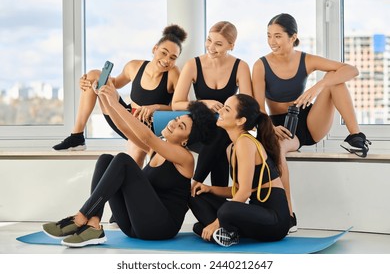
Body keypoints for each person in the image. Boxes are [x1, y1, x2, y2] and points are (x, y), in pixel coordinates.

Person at [42, 81, 217, 247]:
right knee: (106, 159)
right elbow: (127, 130)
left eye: (181, 127)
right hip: (135, 225)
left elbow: (147, 136)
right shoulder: (157, 150)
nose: (173, 123)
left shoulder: (184, 158)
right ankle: (93, 225)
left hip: (160, 228)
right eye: (177, 119)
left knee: (123, 160)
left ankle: (80, 217)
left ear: (186, 141)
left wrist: (116, 103)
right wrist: (108, 101)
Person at [252, 13, 371, 232]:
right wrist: (269, 128)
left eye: (278, 36)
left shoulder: (306, 60)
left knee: (335, 81)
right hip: (279, 126)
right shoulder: (260, 65)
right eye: (269, 36)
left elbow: (351, 70)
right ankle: (288, 214)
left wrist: (318, 86)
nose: (272, 41)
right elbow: (259, 108)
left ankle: (356, 137)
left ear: (292, 37)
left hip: (309, 122)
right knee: (278, 149)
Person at [53, 24, 187, 167]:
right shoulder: (134, 66)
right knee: (94, 75)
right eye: (164, 53)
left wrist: (155, 107)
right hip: (125, 116)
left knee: (135, 154)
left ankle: (134, 184)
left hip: (147, 128)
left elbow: (181, 108)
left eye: (173, 57)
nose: (167, 60)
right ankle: (77, 136)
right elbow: (116, 83)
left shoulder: (174, 74)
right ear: (155, 49)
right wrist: (86, 82)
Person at [189, 94, 290, 247]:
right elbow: (237, 190)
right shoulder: (232, 147)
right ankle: (229, 233)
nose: (221, 111)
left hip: (275, 222)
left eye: (227, 109)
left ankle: (224, 230)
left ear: (240, 121)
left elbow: (244, 193)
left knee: (226, 210)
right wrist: (209, 189)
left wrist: (216, 222)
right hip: (256, 214)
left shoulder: (245, 142)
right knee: (196, 194)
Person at [172, 21, 252, 189]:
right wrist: (204, 103)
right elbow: (176, 104)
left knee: (221, 139)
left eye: (218, 44)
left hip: (224, 130)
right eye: (209, 40)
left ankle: (196, 186)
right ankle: (211, 196)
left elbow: (247, 107)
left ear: (231, 45)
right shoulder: (192, 65)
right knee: (221, 145)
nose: (211, 47)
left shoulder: (241, 67)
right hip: (199, 129)